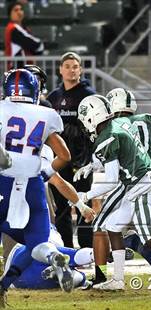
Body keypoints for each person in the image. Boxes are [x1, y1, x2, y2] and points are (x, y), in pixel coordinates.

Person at [77, 94, 151, 292]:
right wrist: (92, 166)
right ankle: (117, 279)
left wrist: (85, 195)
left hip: (141, 185)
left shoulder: (106, 137)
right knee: (113, 226)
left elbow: (111, 180)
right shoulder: (120, 125)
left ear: (92, 117)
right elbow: (119, 156)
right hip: (143, 182)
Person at [0, 69, 75, 304]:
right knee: (38, 244)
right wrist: (45, 173)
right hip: (32, 184)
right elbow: (65, 155)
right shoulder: (46, 114)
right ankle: (54, 257)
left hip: (4, 182)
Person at [47, 52, 96, 248]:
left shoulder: (89, 95)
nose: (71, 69)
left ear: (80, 70)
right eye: (67, 66)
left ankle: (87, 249)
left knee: (84, 203)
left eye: (75, 66)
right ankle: (66, 249)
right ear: (60, 70)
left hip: (81, 161)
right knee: (61, 208)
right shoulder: (54, 97)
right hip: (58, 160)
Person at [4, 1, 44, 68]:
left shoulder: (25, 29)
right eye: (16, 10)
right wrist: (40, 45)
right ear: (10, 14)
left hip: (26, 70)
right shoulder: (13, 29)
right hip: (17, 71)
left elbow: (36, 49)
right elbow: (36, 45)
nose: (19, 12)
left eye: (21, 9)